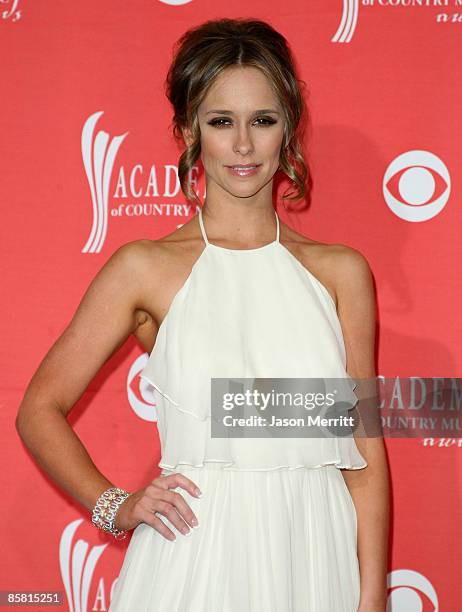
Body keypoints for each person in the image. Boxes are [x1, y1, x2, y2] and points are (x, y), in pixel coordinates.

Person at [16, 17, 390, 612]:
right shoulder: (145, 267)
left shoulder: (341, 272)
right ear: (188, 129)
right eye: (221, 122)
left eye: (262, 121)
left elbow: (365, 454)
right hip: (195, 556)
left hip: (315, 558)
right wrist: (114, 505)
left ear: (287, 128)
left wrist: (371, 600)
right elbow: (39, 408)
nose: (242, 145)